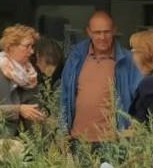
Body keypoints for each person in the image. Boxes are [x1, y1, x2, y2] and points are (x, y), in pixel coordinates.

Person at [60, 11, 141, 147]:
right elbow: (64, 95)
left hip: (113, 142)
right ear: (89, 32)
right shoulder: (76, 58)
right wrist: (62, 131)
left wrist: (133, 132)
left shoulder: (127, 61)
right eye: (97, 32)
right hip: (78, 140)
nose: (102, 37)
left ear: (114, 30)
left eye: (106, 32)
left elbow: (140, 98)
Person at [0, 24, 49, 133]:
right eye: (27, 46)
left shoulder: (31, 75)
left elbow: (35, 106)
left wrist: (42, 115)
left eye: (32, 46)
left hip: (28, 138)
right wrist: (18, 110)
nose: (32, 51)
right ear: (11, 47)